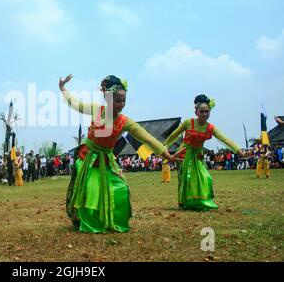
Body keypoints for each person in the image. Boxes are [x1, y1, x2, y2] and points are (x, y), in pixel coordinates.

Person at [60, 74, 178, 233]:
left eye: (124, 100)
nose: (121, 104)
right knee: (92, 190)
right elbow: (75, 103)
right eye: (118, 100)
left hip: (107, 159)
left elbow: (146, 137)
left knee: (121, 188)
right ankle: (90, 223)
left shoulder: (124, 121)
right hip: (88, 157)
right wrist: (63, 88)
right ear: (108, 98)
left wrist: (166, 154)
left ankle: (113, 220)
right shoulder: (97, 109)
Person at [164, 95, 249, 211]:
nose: (204, 114)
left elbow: (225, 139)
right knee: (186, 179)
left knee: (205, 177)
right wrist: (163, 147)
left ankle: (200, 200)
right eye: (202, 111)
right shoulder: (188, 122)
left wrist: (241, 152)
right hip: (184, 154)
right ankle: (183, 202)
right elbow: (174, 135)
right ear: (196, 112)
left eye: (207, 111)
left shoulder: (210, 127)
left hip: (198, 155)